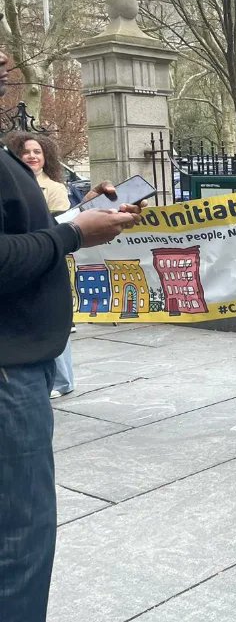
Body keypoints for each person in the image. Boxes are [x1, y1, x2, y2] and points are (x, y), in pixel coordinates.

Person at [0, 45, 142, 620]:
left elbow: (21, 232)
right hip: (8, 378)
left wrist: (76, 215)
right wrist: (73, 236)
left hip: (17, 368)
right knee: (21, 538)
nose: (7, 68)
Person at [6, 132, 78, 397]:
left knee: (58, 318)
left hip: (50, 259)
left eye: (38, 152)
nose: (32, 156)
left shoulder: (56, 188)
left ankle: (63, 381)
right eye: (26, 152)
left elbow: (58, 224)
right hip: (24, 265)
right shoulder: (11, 180)